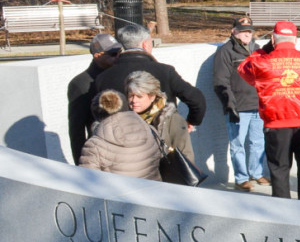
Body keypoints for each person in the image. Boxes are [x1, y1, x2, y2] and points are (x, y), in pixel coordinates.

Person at [238, 21, 300, 200]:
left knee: (279, 170)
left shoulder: (261, 62)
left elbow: (243, 70)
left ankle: (283, 211)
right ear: (295, 40)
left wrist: (263, 50)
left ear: (273, 39)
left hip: (276, 123)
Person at [95, 23, 206, 130]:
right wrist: (190, 122)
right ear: (145, 44)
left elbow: (97, 113)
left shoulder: (103, 77)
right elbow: (196, 99)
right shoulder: (165, 71)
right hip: (161, 139)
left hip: (121, 141)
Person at [212, 17, 267, 190]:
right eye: (243, 31)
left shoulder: (257, 50)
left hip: (258, 105)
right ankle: (241, 178)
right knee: (237, 145)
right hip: (237, 107)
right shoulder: (225, 52)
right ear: (234, 31)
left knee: (258, 142)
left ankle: (257, 174)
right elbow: (221, 81)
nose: (247, 34)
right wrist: (230, 104)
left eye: (249, 31)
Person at [78, 89, 161, 180]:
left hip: (118, 193)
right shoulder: (150, 130)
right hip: (154, 191)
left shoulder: (94, 145)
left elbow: (89, 182)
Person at [67, 33, 122, 163]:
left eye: (120, 52)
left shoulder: (120, 74)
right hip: (102, 153)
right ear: (97, 55)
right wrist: (81, 163)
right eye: (113, 54)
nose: (119, 56)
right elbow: (77, 129)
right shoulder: (81, 83)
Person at [124, 70, 194, 164]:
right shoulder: (124, 120)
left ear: (152, 96)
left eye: (139, 96)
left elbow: (186, 155)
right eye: (131, 96)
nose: (134, 100)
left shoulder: (171, 119)